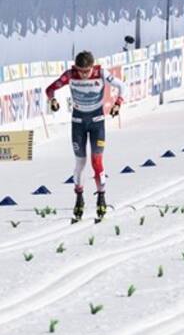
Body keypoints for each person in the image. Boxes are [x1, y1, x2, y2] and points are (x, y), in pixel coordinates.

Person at [46, 51, 125, 222]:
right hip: (78, 123)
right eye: (80, 71)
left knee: (96, 162)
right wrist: (52, 100)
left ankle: (101, 197)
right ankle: (79, 199)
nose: (83, 74)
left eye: (86, 71)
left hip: (97, 123)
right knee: (80, 163)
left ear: (92, 67)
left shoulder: (101, 73)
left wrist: (118, 103)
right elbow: (50, 89)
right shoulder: (70, 75)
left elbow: (121, 86)